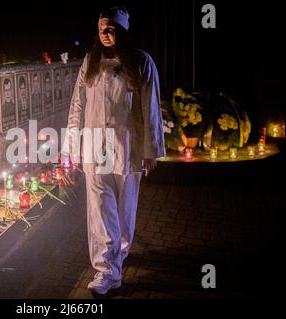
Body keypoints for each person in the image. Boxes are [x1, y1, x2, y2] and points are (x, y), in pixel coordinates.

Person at [63, 6, 165, 295]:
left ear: (122, 30)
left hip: (127, 146)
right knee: (99, 210)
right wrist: (71, 147)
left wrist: (151, 150)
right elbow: (77, 106)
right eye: (101, 29)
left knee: (124, 210)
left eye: (111, 29)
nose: (105, 34)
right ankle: (106, 271)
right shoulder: (89, 62)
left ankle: (118, 255)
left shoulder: (141, 62)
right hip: (94, 147)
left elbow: (151, 109)